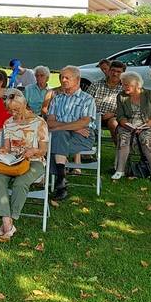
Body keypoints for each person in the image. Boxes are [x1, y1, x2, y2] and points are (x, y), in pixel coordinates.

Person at [0, 89, 49, 241]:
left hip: (34, 162)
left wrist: (34, 151)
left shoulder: (39, 122)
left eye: (16, 110)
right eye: (10, 110)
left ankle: (10, 219)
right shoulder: (8, 123)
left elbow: (43, 150)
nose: (13, 113)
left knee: (20, 183)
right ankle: (7, 222)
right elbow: (7, 147)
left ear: (24, 104)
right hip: (13, 161)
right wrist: (2, 150)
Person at [45, 65, 97, 201]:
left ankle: (56, 178)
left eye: (67, 78)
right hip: (61, 135)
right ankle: (61, 181)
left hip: (83, 136)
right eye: (61, 77)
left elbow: (84, 123)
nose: (63, 80)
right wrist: (73, 127)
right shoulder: (57, 99)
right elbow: (50, 122)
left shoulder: (87, 99)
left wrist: (63, 127)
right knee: (59, 136)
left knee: (51, 143)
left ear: (77, 80)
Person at [113, 71, 151, 184]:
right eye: (123, 84)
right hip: (129, 125)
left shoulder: (150, 95)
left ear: (137, 85)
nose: (124, 87)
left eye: (127, 85)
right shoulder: (121, 96)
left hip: (149, 126)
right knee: (123, 137)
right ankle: (120, 170)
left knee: (146, 138)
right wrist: (125, 123)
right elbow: (120, 116)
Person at [86, 60, 126, 148]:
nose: (115, 74)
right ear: (109, 70)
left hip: (113, 117)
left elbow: (128, 108)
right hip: (94, 116)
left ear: (123, 74)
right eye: (113, 70)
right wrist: (94, 114)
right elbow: (86, 102)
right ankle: (85, 150)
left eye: (118, 72)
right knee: (82, 121)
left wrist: (114, 114)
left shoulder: (125, 88)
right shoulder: (96, 84)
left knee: (113, 123)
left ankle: (121, 150)